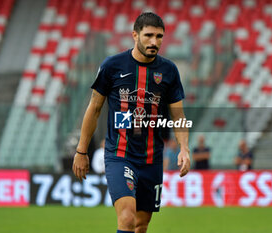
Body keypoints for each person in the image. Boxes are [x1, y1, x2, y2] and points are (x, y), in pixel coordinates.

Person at [72, 12, 190, 233]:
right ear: (135, 35)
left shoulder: (169, 71)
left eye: (159, 36)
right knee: (127, 218)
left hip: (152, 158)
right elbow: (95, 108)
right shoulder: (113, 66)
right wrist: (81, 150)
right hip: (120, 155)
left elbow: (178, 116)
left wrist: (184, 148)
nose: (154, 42)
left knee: (141, 224)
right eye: (148, 35)